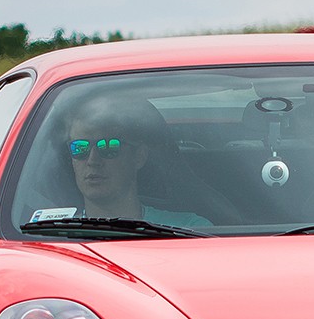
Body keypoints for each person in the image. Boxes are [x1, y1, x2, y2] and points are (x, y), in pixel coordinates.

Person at [60, 97, 210, 227]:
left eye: (108, 147)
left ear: (139, 156)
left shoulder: (190, 230)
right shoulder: (54, 234)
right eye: (80, 148)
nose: (92, 160)